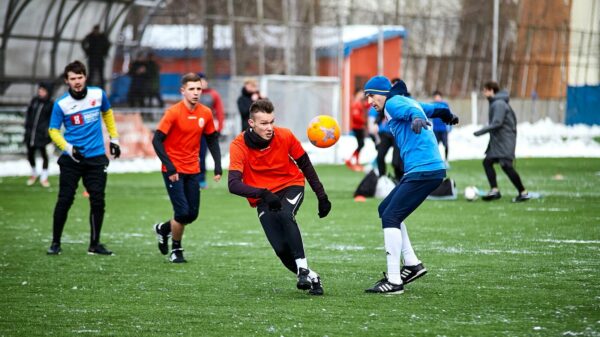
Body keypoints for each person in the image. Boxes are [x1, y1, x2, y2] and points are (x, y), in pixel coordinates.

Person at [362, 76, 458, 294]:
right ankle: (412, 264)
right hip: (424, 169)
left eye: (372, 95)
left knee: (391, 217)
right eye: (367, 97)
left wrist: (416, 118)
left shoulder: (394, 103)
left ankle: (394, 281)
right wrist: (446, 114)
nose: (369, 101)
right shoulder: (404, 100)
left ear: (383, 93)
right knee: (385, 209)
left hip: (423, 169)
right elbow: (433, 108)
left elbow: (413, 112)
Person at [228, 99, 331, 296]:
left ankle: (302, 269)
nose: (269, 127)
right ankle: (313, 277)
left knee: (285, 215)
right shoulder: (238, 145)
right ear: (252, 123)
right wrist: (264, 193)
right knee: (281, 250)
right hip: (264, 195)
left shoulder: (284, 135)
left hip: (291, 184)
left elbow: (305, 165)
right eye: (264, 123)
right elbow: (233, 185)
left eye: (271, 122)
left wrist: (322, 196)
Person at [46, 60, 121, 255]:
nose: (77, 81)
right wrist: (69, 149)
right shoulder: (61, 104)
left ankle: (94, 244)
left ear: (85, 77)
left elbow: (108, 113)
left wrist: (114, 139)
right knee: (65, 200)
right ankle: (55, 243)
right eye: (73, 78)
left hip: (96, 158)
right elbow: (53, 131)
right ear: (67, 81)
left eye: (80, 77)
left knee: (98, 200)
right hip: (72, 160)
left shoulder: (98, 94)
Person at [152, 73, 222, 263]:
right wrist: (170, 166)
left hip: (193, 169)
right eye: (191, 89)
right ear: (183, 91)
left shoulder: (205, 113)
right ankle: (176, 249)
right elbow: (157, 140)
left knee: (192, 214)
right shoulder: (173, 112)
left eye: (198, 89)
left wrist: (217, 165)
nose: (196, 92)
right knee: (182, 212)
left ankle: (163, 229)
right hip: (173, 171)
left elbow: (212, 139)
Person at [474, 81, 530, 202]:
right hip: (499, 141)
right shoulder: (496, 102)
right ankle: (495, 190)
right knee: (487, 162)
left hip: (505, 141)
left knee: (506, 166)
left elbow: (497, 123)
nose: (484, 93)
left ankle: (523, 192)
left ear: (491, 90)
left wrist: (481, 131)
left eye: (485, 90)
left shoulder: (498, 103)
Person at [24, 82, 54, 187]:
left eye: (43, 90)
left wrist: (47, 132)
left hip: (43, 135)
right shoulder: (34, 101)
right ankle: (34, 173)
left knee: (44, 155)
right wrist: (27, 128)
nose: (40, 92)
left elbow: (52, 120)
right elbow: (28, 115)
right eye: (40, 90)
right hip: (30, 134)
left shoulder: (51, 104)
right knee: (30, 154)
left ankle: (44, 177)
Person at [198, 73, 225, 189]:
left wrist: (219, 128)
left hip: (206, 131)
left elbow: (219, 112)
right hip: (191, 131)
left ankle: (201, 180)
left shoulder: (213, 95)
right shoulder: (193, 95)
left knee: (202, 155)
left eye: (202, 81)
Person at [369, 106, 403, 180]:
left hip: (397, 134)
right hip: (385, 133)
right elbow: (381, 113)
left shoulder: (403, 101)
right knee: (380, 156)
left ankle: (398, 179)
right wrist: (376, 123)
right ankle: (382, 178)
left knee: (396, 161)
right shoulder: (388, 102)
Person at [345, 88, 369, 172]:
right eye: (361, 93)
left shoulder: (359, 103)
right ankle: (351, 160)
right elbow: (356, 117)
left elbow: (366, 105)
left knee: (361, 144)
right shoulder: (355, 104)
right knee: (361, 144)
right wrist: (365, 122)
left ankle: (355, 161)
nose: (362, 95)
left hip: (359, 127)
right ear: (357, 94)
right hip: (357, 127)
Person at [81, 25, 110, 89]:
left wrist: (105, 52)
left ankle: (102, 88)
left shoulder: (102, 37)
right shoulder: (90, 36)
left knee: (101, 74)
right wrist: (87, 52)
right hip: (92, 58)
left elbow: (108, 44)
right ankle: (88, 88)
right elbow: (83, 42)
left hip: (99, 58)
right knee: (91, 74)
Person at [431, 90, 451, 167]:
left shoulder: (444, 105)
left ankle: (446, 160)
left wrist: (449, 126)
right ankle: (436, 161)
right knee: (435, 146)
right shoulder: (432, 105)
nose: (437, 98)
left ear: (440, 97)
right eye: (435, 97)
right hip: (435, 129)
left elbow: (449, 115)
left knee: (446, 145)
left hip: (443, 129)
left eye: (438, 96)